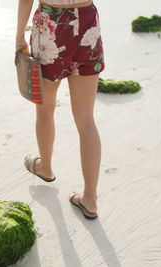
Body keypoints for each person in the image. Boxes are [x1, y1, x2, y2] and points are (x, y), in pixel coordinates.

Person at [16, 0, 105, 219]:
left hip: (51, 22)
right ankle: (90, 199)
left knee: (45, 109)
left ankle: (45, 167)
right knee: (86, 120)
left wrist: (19, 36)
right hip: (87, 19)